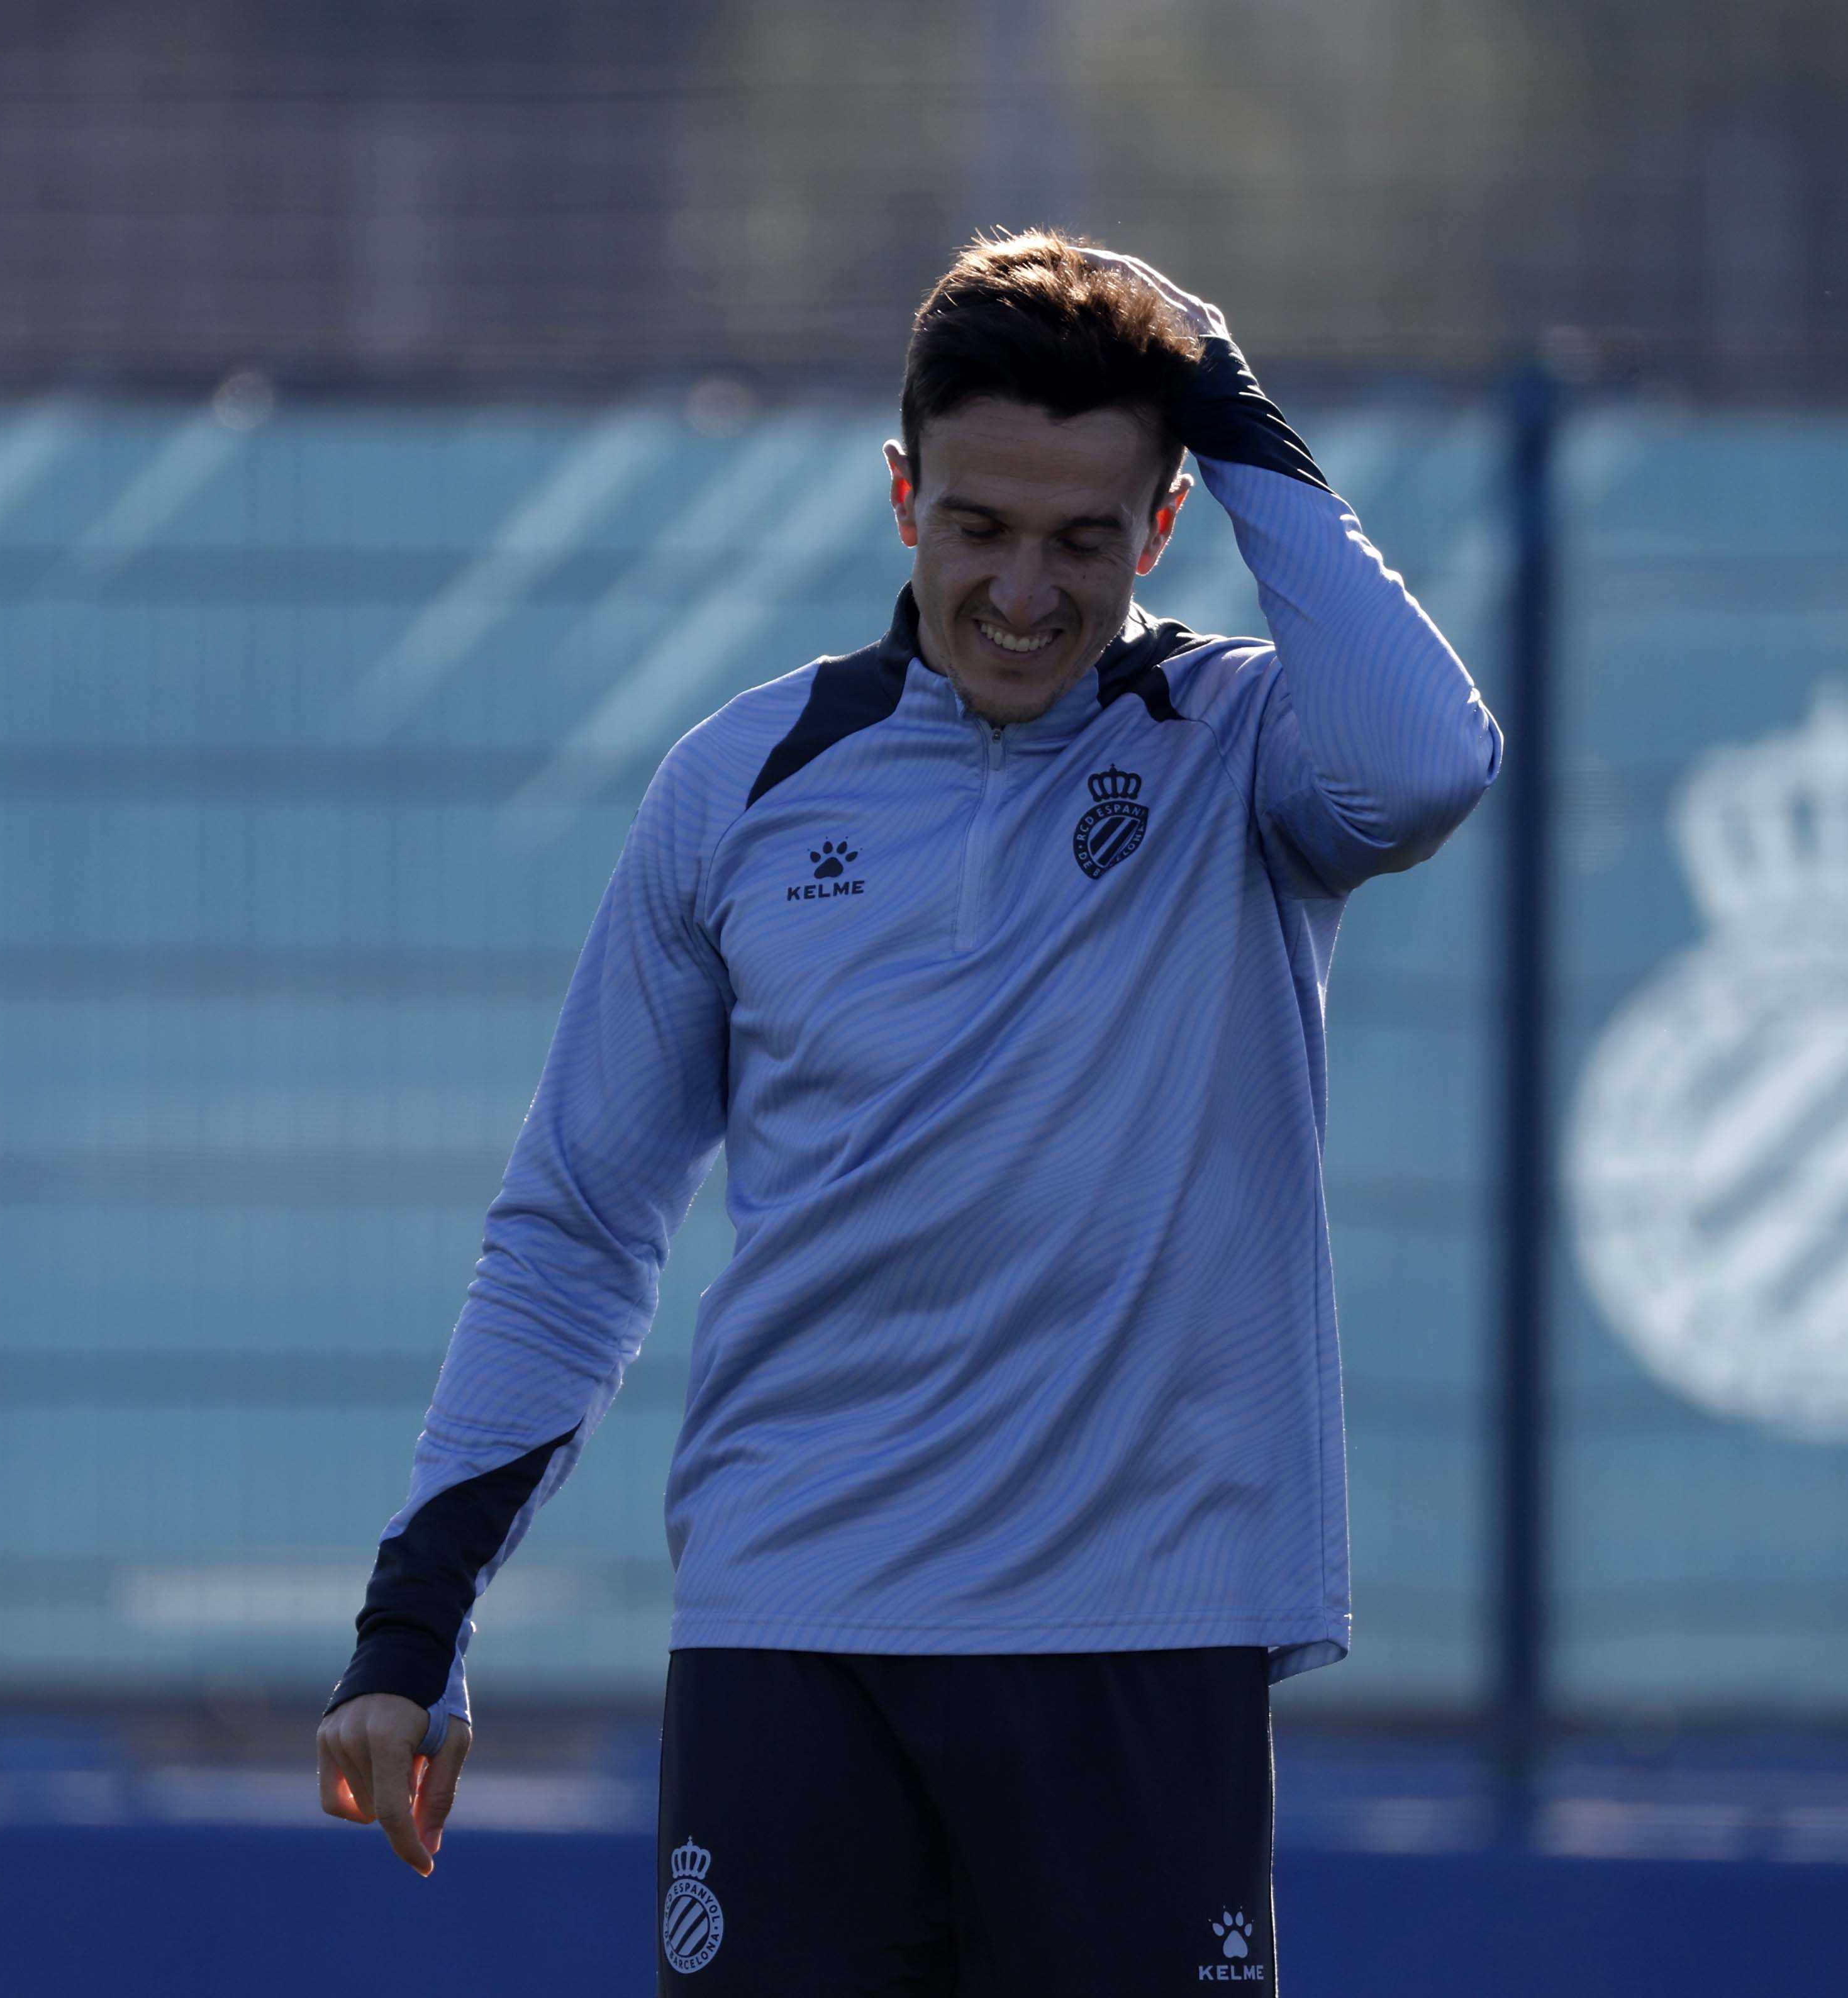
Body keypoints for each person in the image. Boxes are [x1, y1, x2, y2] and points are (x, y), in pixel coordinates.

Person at [315, 232, 1501, 1992]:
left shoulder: (1243, 745)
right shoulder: (738, 784)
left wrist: (1226, 398)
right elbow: (576, 1229)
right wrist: (415, 1621)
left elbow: (1429, 761)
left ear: (1162, 525)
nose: (1023, 592)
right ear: (901, 499)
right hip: (794, 1637)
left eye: (1082, 539)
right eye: (978, 527)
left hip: (1137, 1638)